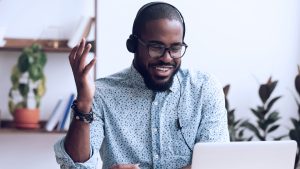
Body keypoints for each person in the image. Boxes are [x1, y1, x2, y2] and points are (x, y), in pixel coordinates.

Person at [54, 2, 229, 169]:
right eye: (156, 47)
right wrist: (84, 104)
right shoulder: (100, 94)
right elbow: (74, 167)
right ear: (133, 45)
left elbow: (215, 164)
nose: (167, 58)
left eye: (175, 48)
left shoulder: (204, 88)